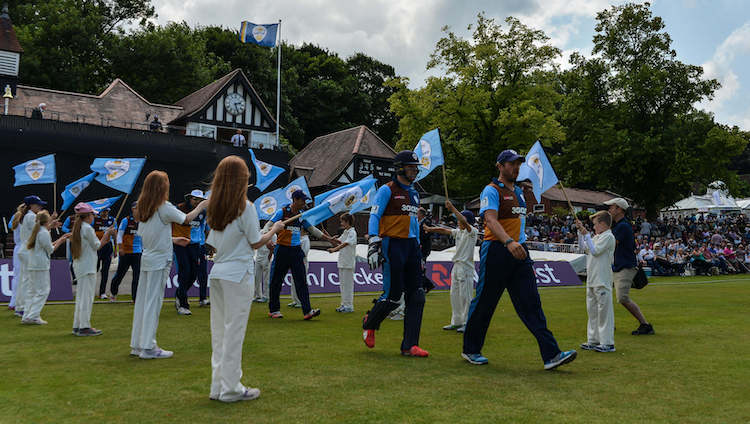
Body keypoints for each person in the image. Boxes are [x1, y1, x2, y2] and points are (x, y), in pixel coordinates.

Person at [461, 150, 576, 369]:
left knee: (531, 303)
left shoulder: (520, 193)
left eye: (518, 164)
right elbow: (490, 221)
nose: (516, 167)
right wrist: (508, 242)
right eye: (512, 164)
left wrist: (519, 242)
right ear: (500, 166)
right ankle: (471, 349)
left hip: (519, 252)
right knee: (485, 302)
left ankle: (552, 355)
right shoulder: (491, 190)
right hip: (497, 249)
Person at [205, 156, 283, 403]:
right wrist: (274, 230)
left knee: (220, 333)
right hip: (237, 274)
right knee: (233, 333)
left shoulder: (216, 208)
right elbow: (255, 241)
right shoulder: (245, 207)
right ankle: (231, 389)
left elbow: (212, 243)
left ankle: (219, 386)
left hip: (218, 273)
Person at [129, 170, 208, 359]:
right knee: (153, 303)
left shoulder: (144, 208)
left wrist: (172, 239)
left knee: (142, 302)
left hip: (148, 257)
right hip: (158, 260)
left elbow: (149, 233)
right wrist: (202, 205)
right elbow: (186, 219)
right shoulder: (163, 206)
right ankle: (148, 346)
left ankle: (137, 344)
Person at [363, 150, 429, 357]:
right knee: (393, 296)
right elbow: (374, 216)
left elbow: (414, 225)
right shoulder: (386, 190)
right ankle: (370, 323)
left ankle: (410, 345)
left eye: (415, 168)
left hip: (411, 246)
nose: (414, 171)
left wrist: (418, 249)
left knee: (417, 295)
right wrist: (374, 241)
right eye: (410, 167)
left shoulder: (415, 193)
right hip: (392, 244)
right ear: (399, 167)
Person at [267, 190, 338, 319]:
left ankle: (307, 311)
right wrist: (268, 240)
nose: (304, 203)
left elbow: (312, 229)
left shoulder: (301, 216)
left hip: (296, 251)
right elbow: (268, 226)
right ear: (295, 200)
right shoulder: (282, 212)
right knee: (276, 281)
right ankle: (274, 310)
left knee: (301, 281)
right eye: (302, 200)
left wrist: (329, 239)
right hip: (282, 249)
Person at [424, 201, 478, 333]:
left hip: (466, 268)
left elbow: (464, 222)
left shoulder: (472, 231)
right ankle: (456, 321)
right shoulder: (459, 232)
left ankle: (467, 323)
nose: (457, 222)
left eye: (460, 220)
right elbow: (444, 230)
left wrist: (452, 208)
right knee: (454, 295)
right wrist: (430, 229)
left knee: (466, 297)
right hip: (457, 267)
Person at [605, 197, 655, 335]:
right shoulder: (619, 225)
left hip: (625, 266)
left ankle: (645, 324)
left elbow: (611, 245)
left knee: (622, 297)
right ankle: (609, 322)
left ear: (619, 209)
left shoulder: (622, 226)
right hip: (619, 265)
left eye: (612, 207)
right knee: (605, 294)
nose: (609, 209)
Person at [70, 203, 116, 336]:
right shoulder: (87, 228)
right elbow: (97, 246)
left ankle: (77, 325)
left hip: (81, 265)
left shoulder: (79, 228)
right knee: (86, 297)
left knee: (81, 297)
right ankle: (84, 326)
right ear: (88, 216)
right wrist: (107, 235)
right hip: (87, 266)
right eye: (92, 215)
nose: (94, 217)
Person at [576, 211, 616, 353]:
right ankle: (593, 340)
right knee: (592, 311)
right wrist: (581, 233)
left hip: (602, 280)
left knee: (604, 312)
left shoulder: (609, 237)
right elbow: (585, 248)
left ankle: (607, 342)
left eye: (595, 224)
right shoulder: (597, 236)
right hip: (592, 279)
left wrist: (586, 234)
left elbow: (595, 251)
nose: (593, 227)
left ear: (603, 224)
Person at [22, 211, 69, 325]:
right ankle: (33, 315)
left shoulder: (38, 231)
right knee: (43, 291)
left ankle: (28, 315)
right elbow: (50, 249)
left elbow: (47, 245)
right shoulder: (43, 233)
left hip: (33, 264)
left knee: (32, 291)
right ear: (46, 221)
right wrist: (61, 240)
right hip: (40, 265)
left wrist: (59, 239)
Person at [172, 190, 208, 315]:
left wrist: (201, 242)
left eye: (200, 200)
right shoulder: (179, 208)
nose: (197, 202)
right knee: (184, 272)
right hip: (181, 244)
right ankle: (183, 304)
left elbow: (202, 227)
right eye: (195, 199)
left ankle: (179, 294)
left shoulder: (203, 212)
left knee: (193, 274)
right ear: (189, 199)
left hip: (195, 245)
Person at [15, 195, 48, 318]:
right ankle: (23, 307)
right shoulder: (31, 216)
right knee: (28, 281)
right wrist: (50, 224)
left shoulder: (26, 216)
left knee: (24, 279)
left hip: (24, 250)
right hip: (28, 250)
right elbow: (39, 232)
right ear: (31, 205)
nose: (40, 206)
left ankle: (20, 306)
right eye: (37, 204)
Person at [109, 202, 141, 302]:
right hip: (126, 252)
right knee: (120, 274)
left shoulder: (143, 221)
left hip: (138, 252)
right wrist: (120, 248)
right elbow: (119, 235)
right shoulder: (126, 220)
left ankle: (135, 298)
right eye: (137, 208)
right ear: (132, 209)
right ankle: (113, 293)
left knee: (137, 276)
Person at [328, 213, 358, 313]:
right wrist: (328, 237)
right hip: (342, 261)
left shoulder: (352, 232)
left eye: (342, 221)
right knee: (343, 285)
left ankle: (349, 306)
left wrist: (334, 249)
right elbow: (339, 241)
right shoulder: (345, 232)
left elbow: (345, 244)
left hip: (348, 263)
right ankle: (344, 304)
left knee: (348, 285)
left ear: (347, 221)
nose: (341, 223)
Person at [8, 203, 26, 312]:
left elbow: (11, 225)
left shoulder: (15, 217)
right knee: (21, 277)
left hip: (17, 248)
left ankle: (13, 302)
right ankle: (17, 303)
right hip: (23, 248)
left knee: (17, 276)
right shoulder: (23, 219)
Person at [94, 208, 115, 300]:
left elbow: (115, 234)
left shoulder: (112, 220)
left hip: (108, 247)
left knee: (105, 271)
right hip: (97, 247)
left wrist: (116, 249)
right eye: (103, 211)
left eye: (107, 211)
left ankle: (102, 292)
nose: (105, 213)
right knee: (94, 270)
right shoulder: (95, 219)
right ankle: (90, 291)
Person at [253, 221, 275, 303]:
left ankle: (266, 296)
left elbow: (273, 248)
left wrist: (269, 258)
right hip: (258, 257)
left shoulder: (274, 235)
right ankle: (258, 295)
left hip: (266, 257)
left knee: (266, 278)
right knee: (256, 277)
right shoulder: (261, 232)